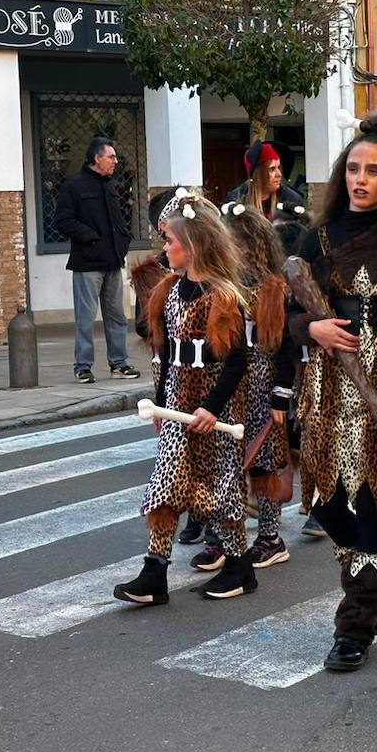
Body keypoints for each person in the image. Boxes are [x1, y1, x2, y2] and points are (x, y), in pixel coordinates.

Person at [288, 111, 377, 673]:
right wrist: (312, 328)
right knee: (322, 499)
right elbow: (283, 314)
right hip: (326, 382)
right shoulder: (316, 236)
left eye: (372, 170)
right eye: (352, 168)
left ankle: (356, 626)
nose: (359, 179)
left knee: (370, 501)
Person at [113, 194, 253, 605]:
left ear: (193, 245)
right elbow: (166, 353)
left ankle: (240, 566)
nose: (164, 249)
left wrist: (212, 407)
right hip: (176, 405)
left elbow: (235, 361)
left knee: (221, 489)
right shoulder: (168, 291)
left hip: (214, 410)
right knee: (166, 484)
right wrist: (160, 401)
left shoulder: (223, 295)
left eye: (170, 240)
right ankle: (154, 572)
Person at [211, 202, 297, 569]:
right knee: (225, 462)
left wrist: (281, 395)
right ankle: (225, 535)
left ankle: (270, 536)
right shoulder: (220, 287)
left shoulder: (272, 290)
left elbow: (284, 347)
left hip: (262, 386)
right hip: (230, 386)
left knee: (263, 464)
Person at [53, 138, 140, 385]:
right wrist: (90, 238)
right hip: (87, 263)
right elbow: (63, 220)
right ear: (96, 159)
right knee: (85, 317)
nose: (115, 161)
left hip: (113, 261)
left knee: (117, 316)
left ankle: (119, 363)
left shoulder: (110, 185)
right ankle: (83, 366)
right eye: (111, 157)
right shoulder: (74, 186)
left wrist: (124, 241)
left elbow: (119, 220)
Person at [226, 140, 310, 253]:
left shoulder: (291, 200)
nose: (279, 174)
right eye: (272, 169)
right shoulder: (237, 200)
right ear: (258, 173)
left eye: (278, 167)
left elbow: (297, 242)